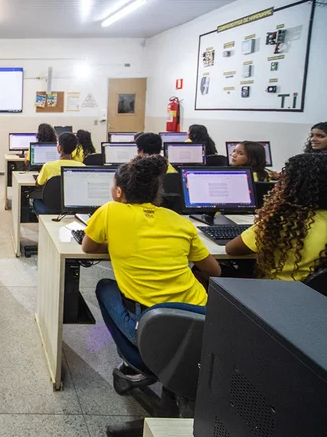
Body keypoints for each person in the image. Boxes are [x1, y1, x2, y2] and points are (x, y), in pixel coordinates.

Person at [82, 155, 221, 366]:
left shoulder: (110, 210)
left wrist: (118, 242)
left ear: (118, 192)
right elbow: (215, 271)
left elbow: (88, 247)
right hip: (201, 321)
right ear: (157, 192)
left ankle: (133, 357)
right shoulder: (180, 221)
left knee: (105, 287)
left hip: (152, 326)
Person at [225, 153, 327, 281]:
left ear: (291, 184)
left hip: (274, 292)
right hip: (316, 295)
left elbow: (232, 249)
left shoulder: (283, 221)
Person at [32, 132, 85, 214]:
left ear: (59, 148)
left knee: (34, 199)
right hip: (73, 207)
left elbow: (38, 184)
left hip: (50, 206)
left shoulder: (48, 166)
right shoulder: (82, 167)